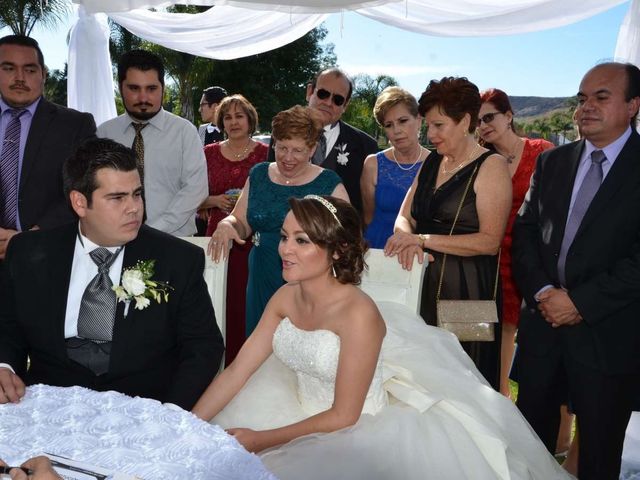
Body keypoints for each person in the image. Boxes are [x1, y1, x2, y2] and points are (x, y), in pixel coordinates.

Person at [193, 195, 570, 480]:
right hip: (289, 405)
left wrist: (262, 439)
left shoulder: (358, 314)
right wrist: (185, 423)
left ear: (337, 250)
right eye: (285, 236)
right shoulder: (284, 298)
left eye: (302, 241)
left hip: (354, 431)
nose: (285, 249)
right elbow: (236, 372)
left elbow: (344, 415)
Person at [0, 138, 224, 410]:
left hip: (145, 405)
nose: (134, 208)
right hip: (49, 402)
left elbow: (203, 346)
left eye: (137, 194)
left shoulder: (177, 259)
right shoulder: (28, 253)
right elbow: (7, 327)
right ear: (79, 202)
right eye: (117, 198)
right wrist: (4, 365)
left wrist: (171, 413)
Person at [512, 62, 640, 480]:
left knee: (599, 456)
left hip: (607, 335)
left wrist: (580, 303)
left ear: (633, 105)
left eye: (601, 97)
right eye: (582, 98)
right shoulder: (553, 163)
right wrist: (545, 292)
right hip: (543, 328)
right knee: (528, 447)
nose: (586, 107)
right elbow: (525, 233)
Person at [384, 76, 512, 390]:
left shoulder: (491, 167)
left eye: (439, 125)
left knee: (465, 383)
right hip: (419, 289)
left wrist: (422, 239)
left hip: (468, 296)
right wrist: (403, 235)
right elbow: (404, 216)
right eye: (428, 125)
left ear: (465, 121)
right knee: (419, 380)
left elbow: (490, 241)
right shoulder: (431, 164)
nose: (431, 135)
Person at [208, 105, 348, 337]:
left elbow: (347, 238)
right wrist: (227, 224)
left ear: (312, 148)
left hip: (306, 284)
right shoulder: (260, 174)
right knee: (259, 345)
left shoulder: (329, 183)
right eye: (282, 148)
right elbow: (241, 221)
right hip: (261, 275)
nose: (287, 157)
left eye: (297, 150)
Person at [477, 88, 554, 397]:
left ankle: (557, 428)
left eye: (489, 117)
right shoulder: (482, 160)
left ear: (509, 116)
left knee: (540, 341)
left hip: (534, 256)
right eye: (478, 121)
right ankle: (498, 401)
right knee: (496, 333)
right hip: (491, 255)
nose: (483, 125)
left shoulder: (542, 150)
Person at [0, 34, 96, 260]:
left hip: (46, 255)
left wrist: (32, 237)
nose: (20, 78)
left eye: (30, 70)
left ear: (43, 74)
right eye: (8, 68)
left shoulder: (75, 125)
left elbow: (86, 187)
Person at [97, 50, 207, 236]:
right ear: (120, 87)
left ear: (163, 88)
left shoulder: (184, 132)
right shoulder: (104, 134)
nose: (143, 98)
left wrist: (153, 231)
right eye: (134, 88)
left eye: (151, 89)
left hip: (174, 242)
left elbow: (196, 189)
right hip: (115, 242)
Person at [199, 94, 268, 363]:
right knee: (217, 298)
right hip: (216, 236)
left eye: (239, 116)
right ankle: (217, 362)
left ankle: (247, 362)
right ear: (221, 122)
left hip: (252, 238)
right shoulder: (208, 154)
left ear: (250, 119)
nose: (234, 121)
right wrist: (214, 200)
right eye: (228, 117)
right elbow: (192, 196)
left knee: (246, 301)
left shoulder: (265, 154)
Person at [266, 68, 377, 213]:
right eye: (323, 94)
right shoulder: (282, 132)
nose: (328, 103)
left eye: (338, 99)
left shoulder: (365, 146)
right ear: (309, 92)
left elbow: (366, 206)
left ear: (346, 105)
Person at [361, 86, 427, 248]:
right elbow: (368, 216)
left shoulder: (437, 163)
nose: (396, 130)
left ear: (418, 120)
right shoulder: (373, 163)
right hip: (376, 248)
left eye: (403, 121)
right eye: (388, 125)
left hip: (419, 251)